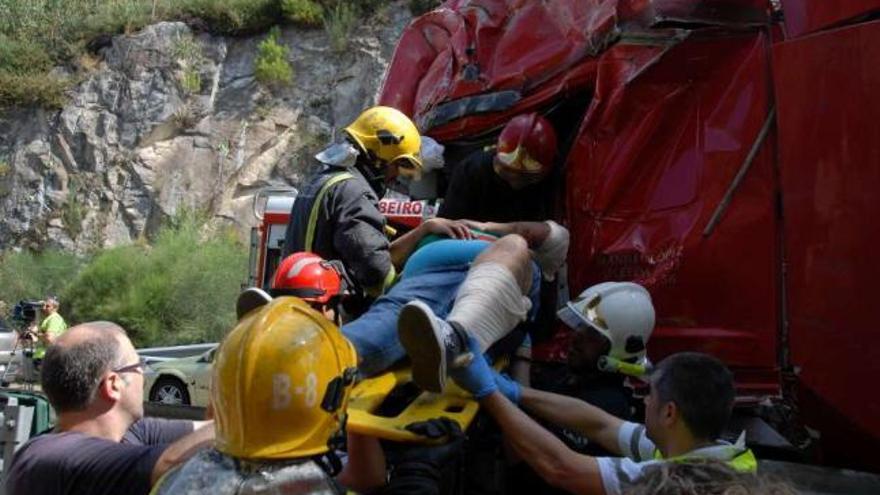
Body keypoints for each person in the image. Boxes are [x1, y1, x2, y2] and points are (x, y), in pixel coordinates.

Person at [157, 294, 464, 495]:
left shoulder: (176, 480)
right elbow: (365, 479)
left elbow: (363, 477)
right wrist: (418, 469)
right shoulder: (309, 484)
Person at [271, 219, 569, 393]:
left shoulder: (524, 259)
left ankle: (285, 358)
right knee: (394, 313)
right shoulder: (446, 226)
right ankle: (284, 348)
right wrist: (425, 227)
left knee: (399, 317)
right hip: (419, 280)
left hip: (478, 285)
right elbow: (388, 259)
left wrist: (491, 229)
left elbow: (547, 235)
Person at [450, 349, 756, 495]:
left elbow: (561, 468)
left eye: (651, 395)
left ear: (670, 413)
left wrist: (487, 392)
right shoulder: (707, 449)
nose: (645, 402)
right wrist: (516, 392)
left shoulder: (679, 482)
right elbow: (600, 425)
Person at [5, 321, 214, 495]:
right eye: (138, 365)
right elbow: (170, 463)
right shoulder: (47, 458)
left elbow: (215, 430)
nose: (143, 375)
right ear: (113, 384)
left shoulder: (130, 433)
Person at [282, 106, 426, 302]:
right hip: (327, 312)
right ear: (379, 158)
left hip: (299, 305)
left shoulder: (321, 180)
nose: (396, 176)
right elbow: (375, 271)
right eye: (397, 165)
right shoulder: (353, 191)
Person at [438, 112, 559, 223]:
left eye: (525, 177)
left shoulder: (552, 178)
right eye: (507, 172)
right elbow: (448, 224)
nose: (515, 182)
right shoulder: (472, 171)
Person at [31, 295, 67, 366]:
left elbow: (49, 338)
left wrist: (36, 334)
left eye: (47, 306)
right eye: (43, 306)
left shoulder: (54, 319)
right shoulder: (48, 319)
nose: (44, 308)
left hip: (47, 357)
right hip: (43, 357)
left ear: (55, 308)